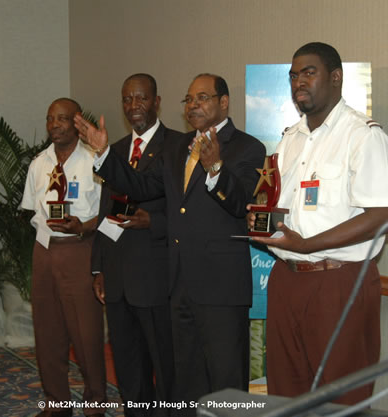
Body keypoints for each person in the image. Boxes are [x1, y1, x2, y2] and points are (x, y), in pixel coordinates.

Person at [75, 74, 265, 415]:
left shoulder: (248, 147)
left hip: (221, 289)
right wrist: (104, 153)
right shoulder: (176, 149)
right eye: (189, 99)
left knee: (226, 383)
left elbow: (239, 203)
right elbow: (139, 186)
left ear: (224, 103)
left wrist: (215, 167)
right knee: (186, 383)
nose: (193, 105)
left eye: (203, 98)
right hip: (178, 287)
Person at [249, 42, 388, 404]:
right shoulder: (289, 139)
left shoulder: (363, 136)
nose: (299, 81)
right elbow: (281, 205)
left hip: (339, 282)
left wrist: (308, 245)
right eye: (294, 75)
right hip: (286, 279)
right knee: (286, 389)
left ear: (336, 78)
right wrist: (258, 219)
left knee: (340, 394)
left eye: (309, 72)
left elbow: (382, 215)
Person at [91, 73, 180, 417]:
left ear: (157, 102)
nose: (133, 106)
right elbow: (104, 211)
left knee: (165, 367)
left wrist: (153, 222)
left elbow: (188, 215)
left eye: (141, 98)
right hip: (117, 279)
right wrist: (98, 268)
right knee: (128, 368)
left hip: (156, 278)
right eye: (127, 99)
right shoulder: (112, 152)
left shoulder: (177, 146)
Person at [21, 98, 106, 417]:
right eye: (49, 119)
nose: (54, 124)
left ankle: (96, 401)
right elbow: (33, 209)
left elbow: (109, 212)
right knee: (47, 330)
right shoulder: (39, 163)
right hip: (43, 249)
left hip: (80, 249)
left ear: (77, 122)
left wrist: (82, 227)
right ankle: (56, 402)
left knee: (86, 332)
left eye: (62, 118)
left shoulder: (95, 160)